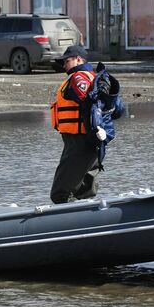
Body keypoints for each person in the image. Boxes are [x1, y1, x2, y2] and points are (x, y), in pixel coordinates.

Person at [49, 45, 110, 204]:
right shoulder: (93, 77)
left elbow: (87, 100)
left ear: (78, 59)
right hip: (92, 141)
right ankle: (89, 218)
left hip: (80, 142)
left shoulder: (78, 78)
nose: (64, 65)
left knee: (60, 194)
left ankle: (66, 223)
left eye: (67, 61)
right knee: (83, 188)